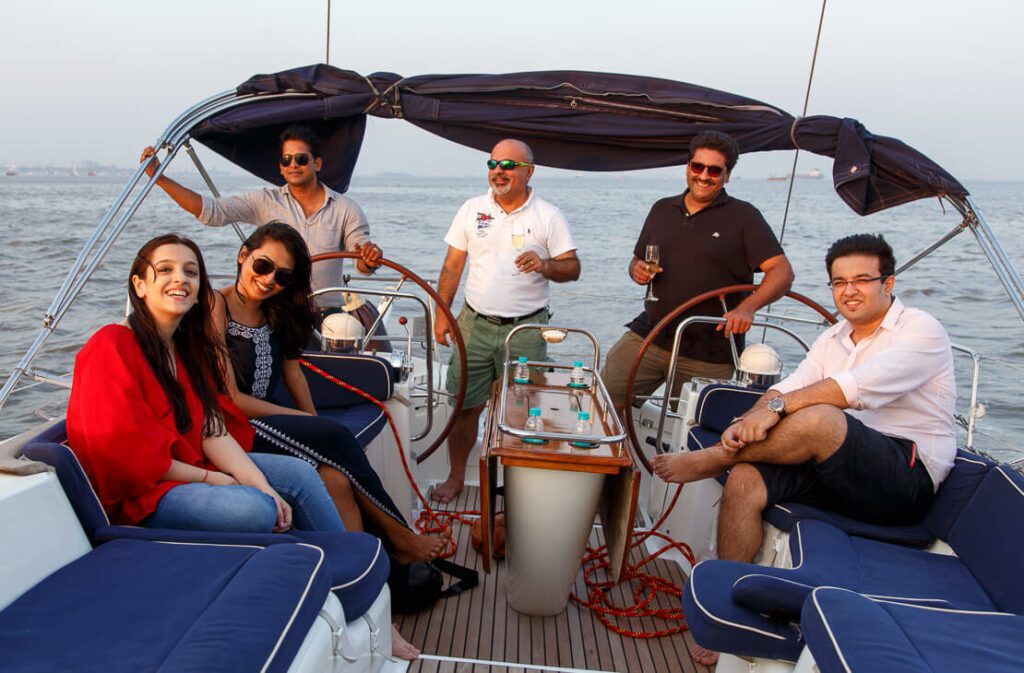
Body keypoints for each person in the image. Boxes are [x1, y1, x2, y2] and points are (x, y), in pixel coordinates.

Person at [653, 233, 956, 666]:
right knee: (746, 480)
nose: (849, 291)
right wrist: (755, 416)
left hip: (903, 480)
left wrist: (768, 414)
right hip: (840, 464)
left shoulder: (920, 330)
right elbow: (788, 387)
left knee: (822, 417)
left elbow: (850, 391)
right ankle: (727, 620)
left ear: (888, 284)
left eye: (862, 280)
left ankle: (713, 459)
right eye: (838, 282)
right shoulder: (834, 338)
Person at [66, 234, 344, 535]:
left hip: (191, 466)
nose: (180, 279)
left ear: (200, 290)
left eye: (191, 272)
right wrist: (216, 480)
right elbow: (126, 457)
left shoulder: (186, 348)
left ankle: (343, 561)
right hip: (141, 495)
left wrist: (264, 486)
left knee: (298, 476)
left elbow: (212, 431)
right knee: (252, 509)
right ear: (140, 285)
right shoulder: (111, 346)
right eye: (165, 270)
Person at [214, 222, 444, 566]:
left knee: (335, 479)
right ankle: (400, 536)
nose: (269, 280)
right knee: (335, 435)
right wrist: (305, 421)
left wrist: (312, 422)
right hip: (235, 425)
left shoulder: (277, 311)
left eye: (283, 276)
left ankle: (372, 568)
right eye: (262, 265)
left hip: (272, 418)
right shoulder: (216, 305)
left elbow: (294, 374)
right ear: (242, 255)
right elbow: (229, 396)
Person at [432, 139, 581, 502]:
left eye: (508, 165)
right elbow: (453, 266)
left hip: (526, 331)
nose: (499, 171)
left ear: (529, 172)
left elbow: (573, 268)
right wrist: (441, 313)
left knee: (523, 412)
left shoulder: (547, 215)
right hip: (474, 325)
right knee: (465, 407)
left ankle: (515, 488)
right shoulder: (472, 209)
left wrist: (546, 265)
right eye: (493, 163)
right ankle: (455, 478)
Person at [601, 131, 794, 409]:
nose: (704, 176)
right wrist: (637, 270)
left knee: (691, 430)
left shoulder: (744, 217)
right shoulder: (662, 209)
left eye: (715, 170)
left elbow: (782, 272)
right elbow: (636, 259)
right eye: (697, 167)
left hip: (709, 351)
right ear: (687, 167)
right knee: (603, 401)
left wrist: (747, 308)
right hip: (652, 334)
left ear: (727, 175)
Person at [140, 124, 385, 316]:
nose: (293, 165)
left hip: (326, 312)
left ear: (317, 163)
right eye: (286, 160)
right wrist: (159, 178)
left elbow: (361, 260)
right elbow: (212, 211)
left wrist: (369, 258)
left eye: (301, 159)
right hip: (275, 308)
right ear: (280, 168)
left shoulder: (346, 208)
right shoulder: (265, 201)